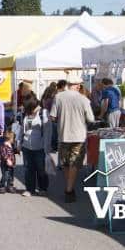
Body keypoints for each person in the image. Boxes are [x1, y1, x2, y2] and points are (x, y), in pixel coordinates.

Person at [51, 74, 95, 203]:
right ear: (77, 85)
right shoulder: (83, 99)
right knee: (74, 163)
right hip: (79, 136)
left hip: (63, 135)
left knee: (65, 162)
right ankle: (69, 189)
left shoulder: (58, 97)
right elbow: (91, 119)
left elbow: (52, 117)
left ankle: (69, 187)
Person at [18, 94, 49, 197]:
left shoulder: (43, 113)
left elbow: (48, 131)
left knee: (41, 169)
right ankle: (29, 189)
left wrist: (47, 146)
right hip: (26, 146)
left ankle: (42, 188)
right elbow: (21, 129)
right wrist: (19, 143)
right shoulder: (25, 114)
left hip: (40, 147)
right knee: (28, 169)